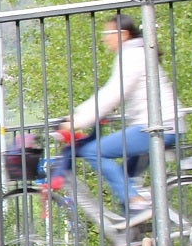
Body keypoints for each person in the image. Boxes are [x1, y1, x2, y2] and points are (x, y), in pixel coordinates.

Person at [50, 14, 180, 216]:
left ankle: (135, 201)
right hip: (160, 124)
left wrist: (76, 121)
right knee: (124, 180)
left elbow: (113, 93)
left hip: (157, 127)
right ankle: (133, 235)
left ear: (123, 34)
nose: (104, 38)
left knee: (94, 151)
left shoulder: (132, 56)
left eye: (108, 33)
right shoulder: (137, 53)